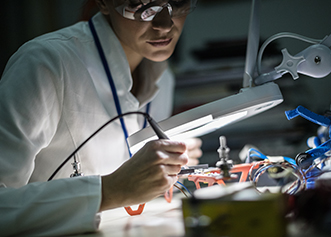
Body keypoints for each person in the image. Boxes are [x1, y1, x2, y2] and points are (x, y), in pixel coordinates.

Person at [0, 0, 201, 236]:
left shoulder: (162, 77)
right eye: (140, 4)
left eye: (177, 3)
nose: (164, 25)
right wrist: (108, 191)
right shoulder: (46, 63)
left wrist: (164, 165)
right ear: (104, 3)